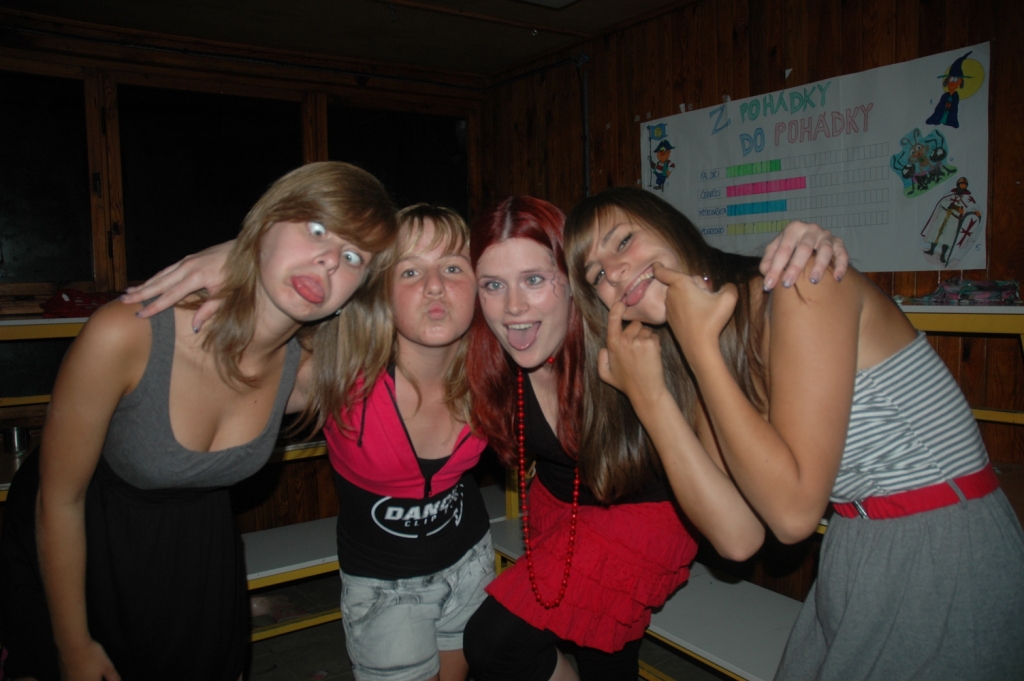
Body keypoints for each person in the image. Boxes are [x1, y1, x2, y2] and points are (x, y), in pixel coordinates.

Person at [563, 186, 1024, 681]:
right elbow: (737, 536)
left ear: (670, 225)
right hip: (856, 540)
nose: (614, 273)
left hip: (943, 542)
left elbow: (793, 516)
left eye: (623, 241)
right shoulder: (704, 352)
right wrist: (651, 399)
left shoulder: (802, 281)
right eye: (597, 276)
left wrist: (699, 347)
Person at [0, 161, 399, 681]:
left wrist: (247, 253)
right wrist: (73, 644)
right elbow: (58, 500)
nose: (327, 260)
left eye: (352, 257)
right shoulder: (129, 334)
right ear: (267, 222)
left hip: (200, 554)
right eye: (317, 228)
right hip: (81, 548)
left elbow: (432, 316)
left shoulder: (306, 373)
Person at [462, 195, 850, 681]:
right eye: (492, 285)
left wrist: (802, 243)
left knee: (492, 642)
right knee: (602, 648)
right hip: (558, 508)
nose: (514, 306)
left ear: (572, 284)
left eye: (534, 280)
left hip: (643, 517)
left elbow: (710, 289)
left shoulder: (633, 333)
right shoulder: (487, 358)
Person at [113, 204, 494, 681]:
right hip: (385, 589)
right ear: (378, 290)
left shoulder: (492, 369)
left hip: (471, 563)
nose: (434, 286)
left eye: (453, 268)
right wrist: (243, 260)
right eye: (410, 270)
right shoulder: (334, 375)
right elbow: (208, 368)